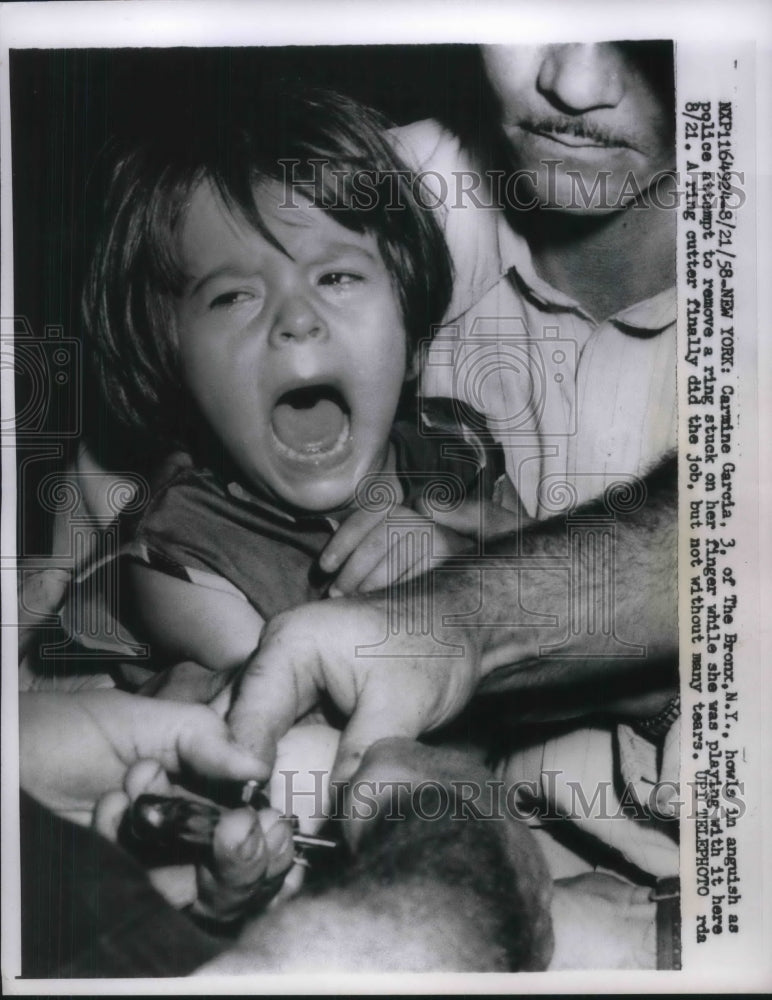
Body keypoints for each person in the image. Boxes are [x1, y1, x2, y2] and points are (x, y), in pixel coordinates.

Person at [228, 42, 681, 895]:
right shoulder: (380, 187)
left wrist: (513, 607)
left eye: (647, 39)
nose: (572, 84)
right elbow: (153, 384)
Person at [75, 86, 524, 699]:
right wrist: (442, 602)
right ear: (170, 362)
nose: (297, 318)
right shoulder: (182, 562)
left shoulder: (460, 446)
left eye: (336, 276)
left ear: (414, 338)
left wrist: (476, 571)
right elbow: (305, 716)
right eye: (234, 296)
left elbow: (562, 599)